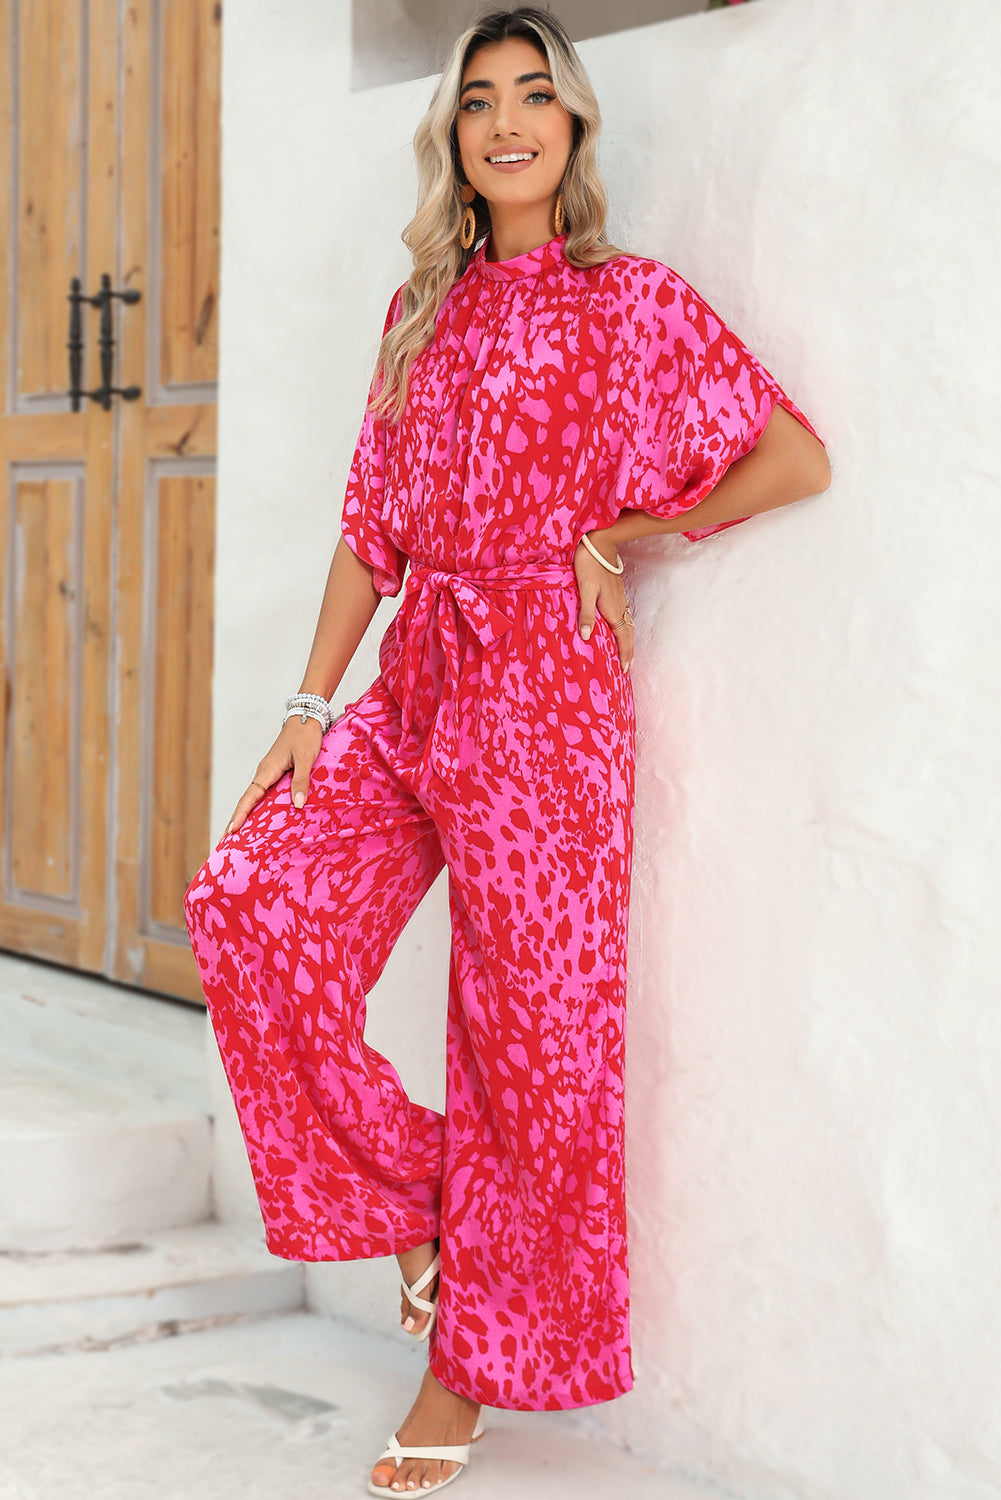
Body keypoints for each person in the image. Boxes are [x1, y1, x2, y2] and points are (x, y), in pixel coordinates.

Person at [184, 6, 830, 1494]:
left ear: (574, 124)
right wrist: (306, 710)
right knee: (248, 910)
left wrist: (628, 531)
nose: (508, 120)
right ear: (455, 140)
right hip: (419, 676)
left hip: (546, 704)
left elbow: (792, 456)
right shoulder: (419, 312)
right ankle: (423, 1209)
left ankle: (462, 1372)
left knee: (529, 1047)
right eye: (479, 101)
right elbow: (370, 531)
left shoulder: (631, 302)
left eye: (536, 93)